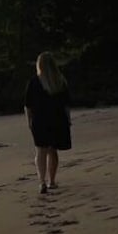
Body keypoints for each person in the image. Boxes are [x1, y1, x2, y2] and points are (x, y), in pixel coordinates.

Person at [24, 52, 72, 194]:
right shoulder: (60, 81)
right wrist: (68, 120)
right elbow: (66, 104)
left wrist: (29, 121)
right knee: (53, 151)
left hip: (39, 120)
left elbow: (28, 105)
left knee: (40, 151)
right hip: (57, 119)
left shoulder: (34, 82)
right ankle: (52, 181)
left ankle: (41, 182)